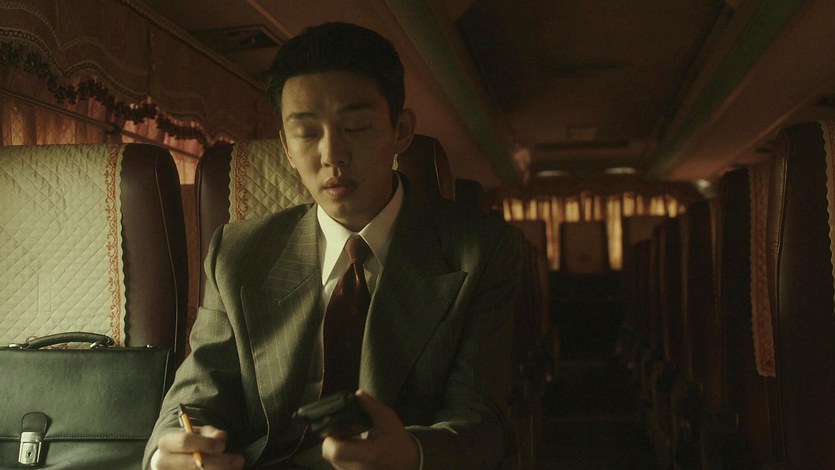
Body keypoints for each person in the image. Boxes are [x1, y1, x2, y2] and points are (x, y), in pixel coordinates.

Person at [144, 22, 522, 470]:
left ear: (401, 131)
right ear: (286, 147)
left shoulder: (481, 251)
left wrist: (412, 453)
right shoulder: (238, 253)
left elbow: (481, 420)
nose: (332, 155)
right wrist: (170, 453)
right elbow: (197, 395)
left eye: (356, 127)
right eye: (307, 132)